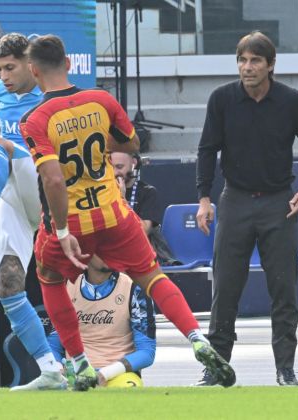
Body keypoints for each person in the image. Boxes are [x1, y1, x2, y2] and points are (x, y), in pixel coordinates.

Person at [21, 34, 235, 391]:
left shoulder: (35, 118)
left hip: (72, 220)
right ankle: (197, 337)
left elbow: (54, 180)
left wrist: (60, 232)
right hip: (113, 213)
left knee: (49, 277)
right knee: (152, 277)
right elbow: (133, 144)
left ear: (33, 71)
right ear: (69, 64)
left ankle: (79, 362)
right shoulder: (102, 100)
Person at [195, 31, 298, 387]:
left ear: (271, 65)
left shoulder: (292, 101)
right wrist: (204, 198)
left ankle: (285, 368)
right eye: (242, 60)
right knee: (225, 288)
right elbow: (207, 150)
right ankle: (217, 367)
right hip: (234, 200)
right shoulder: (221, 99)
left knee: (284, 290)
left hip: (278, 203)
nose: (247, 67)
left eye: (255, 61)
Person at [0, 33, 66, 391]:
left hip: (44, 188)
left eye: (11, 67)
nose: (4, 76)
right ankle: (50, 370)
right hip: (13, 196)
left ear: (31, 65)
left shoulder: (51, 97)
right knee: (7, 285)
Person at [47, 257, 155, 387]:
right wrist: (57, 367)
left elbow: (147, 352)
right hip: (75, 374)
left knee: (129, 391)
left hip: (119, 375)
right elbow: (53, 344)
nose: (107, 252)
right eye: (100, 247)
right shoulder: (65, 286)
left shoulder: (135, 289)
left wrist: (107, 373)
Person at [110, 151, 179, 265]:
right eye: (111, 167)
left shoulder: (147, 192)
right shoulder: (105, 193)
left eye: (119, 167)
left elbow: (143, 231)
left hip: (140, 253)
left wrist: (122, 200)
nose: (115, 173)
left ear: (133, 163)